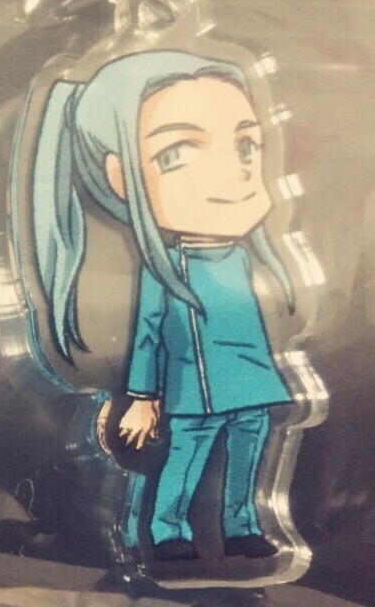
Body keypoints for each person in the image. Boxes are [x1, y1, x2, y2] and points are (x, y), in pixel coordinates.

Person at [28, 50, 294, 562]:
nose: (232, 173)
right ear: (120, 176)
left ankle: (242, 525)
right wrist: (142, 398)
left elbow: (254, 322)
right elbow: (147, 336)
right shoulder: (162, 269)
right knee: (186, 454)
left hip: (252, 376)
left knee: (249, 450)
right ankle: (166, 529)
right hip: (194, 387)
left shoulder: (243, 258)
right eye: (175, 154)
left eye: (245, 146)